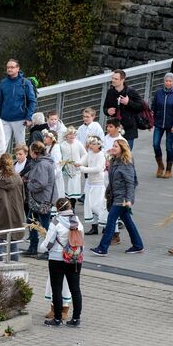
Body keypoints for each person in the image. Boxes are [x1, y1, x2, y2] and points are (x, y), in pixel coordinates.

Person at [91, 139, 144, 256]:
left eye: (116, 146)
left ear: (122, 149)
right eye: (113, 146)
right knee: (127, 221)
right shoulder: (115, 160)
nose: (113, 148)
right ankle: (138, 245)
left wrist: (129, 199)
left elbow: (131, 183)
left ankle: (103, 248)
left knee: (111, 221)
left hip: (122, 198)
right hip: (115, 195)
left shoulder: (126, 164)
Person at [41, 197, 84, 327]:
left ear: (57, 208)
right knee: (75, 289)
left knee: (57, 288)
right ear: (70, 206)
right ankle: (76, 319)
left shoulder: (56, 222)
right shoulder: (77, 221)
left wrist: (41, 248)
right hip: (74, 259)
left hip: (57, 259)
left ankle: (57, 319)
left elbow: (48, 243)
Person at [0, 153, 25, 262]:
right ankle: (16, 272)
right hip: (16, 214)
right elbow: (23, 197)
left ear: (0, 164)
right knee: (13, 245)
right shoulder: (18, 178)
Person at [23, 141, 57, 258]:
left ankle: (49, 250)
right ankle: (33, 247)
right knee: (31, 222)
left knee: (44, 225)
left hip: (43, 199)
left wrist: (29, 186)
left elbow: (41, 183)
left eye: (30, 151)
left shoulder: (42, 164)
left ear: (35, 153)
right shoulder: (40, 162)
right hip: (40, 198)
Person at [0, 58, 37, 147]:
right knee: (1, 146)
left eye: (12, 67)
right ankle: (3, 161)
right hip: (4, 119)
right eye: (8, 67)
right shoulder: (3, 83)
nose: (9, 69)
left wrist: (29, 117)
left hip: (20, 120)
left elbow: (32, 101)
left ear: (18, 69)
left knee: (21, 146)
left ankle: (22, 161)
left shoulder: (25, 83)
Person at [151, 73, 173, 178]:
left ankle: (169, 169)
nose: (168, 83)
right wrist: (152, 120)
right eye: (166, 81)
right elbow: (154, 107)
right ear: (164, 82)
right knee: (156, 144)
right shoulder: (158, 93)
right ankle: (160, 166)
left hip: (171, 125)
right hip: (159, 123)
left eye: (170, 81)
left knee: (169, 147)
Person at [103, 69, 143, 150]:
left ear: (122, 80)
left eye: (116, 79)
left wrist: (128, 102)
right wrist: (108, 111)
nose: (113, 80)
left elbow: (140, 107)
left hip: (129, 129)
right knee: (112, 155)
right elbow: (105, 108)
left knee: (125, 157)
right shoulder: (110, 92)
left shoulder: (131, 92)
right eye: (112, 78)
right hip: (114, 129)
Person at [76, 136, 107, 235]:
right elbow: (83, 161)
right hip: (90, 183)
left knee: (97, 206)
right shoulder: (90, 153)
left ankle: (105, 224)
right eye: (90, 144)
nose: (91, 146)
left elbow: (98, 169)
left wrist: (83, 169)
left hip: (98, 183)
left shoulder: (101, 155)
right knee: (89, 205)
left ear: (99, 145)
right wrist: (78, 163)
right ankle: (94, 227)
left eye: (94, 144)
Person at [60, 128, 86, 208]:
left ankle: (73, 206)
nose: (72, 136)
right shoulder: (62, 145)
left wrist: (80, 162)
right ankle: (67, 207)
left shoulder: (78, 144)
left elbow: (85, 154)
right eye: (70, 134)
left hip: (76, 171)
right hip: (66, 171)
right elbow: (60, 157)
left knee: (74, 189)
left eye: (73, 134)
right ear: (66, 136)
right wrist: (62, 163)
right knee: (66, 189)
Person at [43, 130, 64, 208]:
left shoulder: (56, 148)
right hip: (49, 173)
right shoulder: (47, 147)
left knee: (56, 193)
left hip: (54, 175)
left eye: (47, 137)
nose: (44, 138)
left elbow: (58, 164)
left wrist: (52, 176)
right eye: (44, 136)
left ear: (52, 138)